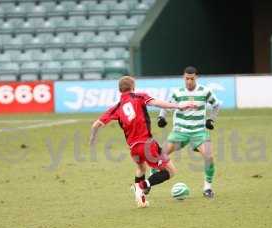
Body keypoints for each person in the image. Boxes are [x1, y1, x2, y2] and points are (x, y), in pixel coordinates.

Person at [89, 76, 197, 208]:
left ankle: (142, 200)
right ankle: (141, 186)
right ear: (133, 88)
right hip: (147, 144)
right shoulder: (139, 97)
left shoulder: (116, 107)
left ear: (120, 90)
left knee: (141, 168)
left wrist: (93, 138)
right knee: (170, 171)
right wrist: (178, 106)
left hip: (133, 149)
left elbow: (96, 125)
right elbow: (157, 103)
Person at [156, 66, 221, 198]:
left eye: (191, 79)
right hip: (180, 132)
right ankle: (150, 180)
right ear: (183, 77)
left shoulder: (205, 91)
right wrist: (161, 117)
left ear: (196, 77)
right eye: (187, 79)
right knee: (160, 155)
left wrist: (211, 119)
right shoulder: (177, 92)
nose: (189, 81)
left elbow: (216, 105)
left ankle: (207, 187)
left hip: (199, 132)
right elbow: (166, 105)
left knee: (209, 157)